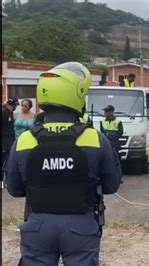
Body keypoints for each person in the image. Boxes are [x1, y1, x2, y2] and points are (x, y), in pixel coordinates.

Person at [5, 62, 122, 265]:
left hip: (38, 226)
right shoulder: (94, 138)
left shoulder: (25, 139)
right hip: (81, 227)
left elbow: (14, 189)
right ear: (76, 96)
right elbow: (111, 185)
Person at [2, 98, 18, 180]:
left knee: (8, 162)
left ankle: (8, 180)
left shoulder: (10, 113)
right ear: (13, 105)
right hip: (4, 142)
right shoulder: (4, 112)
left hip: (10, 141)